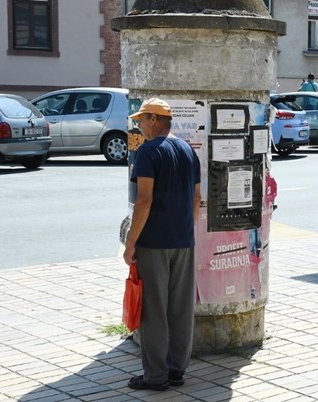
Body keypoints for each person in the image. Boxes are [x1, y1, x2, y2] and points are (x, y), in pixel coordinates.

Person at [122, 98, 201, 391]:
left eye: (142, 120)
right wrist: (186, 230)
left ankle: (155, 377)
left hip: (154, 242)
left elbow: (144, 200)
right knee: (180, 307)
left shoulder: (148, 152)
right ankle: (176, 370)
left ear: (154, 119)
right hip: (184, 240)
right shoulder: (186, 150)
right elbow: (196, 198)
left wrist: (131, 243)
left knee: (153, 310)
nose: (139, 125)